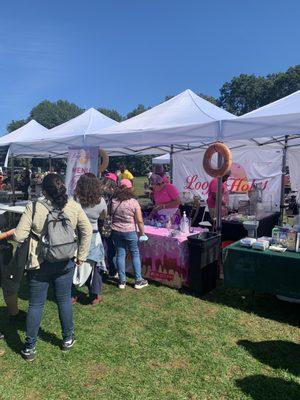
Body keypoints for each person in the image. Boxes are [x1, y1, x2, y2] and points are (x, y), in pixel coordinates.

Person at [14, 173, 92, 362]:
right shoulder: (73, 205)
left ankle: (30, 347)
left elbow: (18, 236)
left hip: (39, 263)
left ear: (44, 190)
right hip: (66, 261)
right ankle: (67, 338)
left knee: (36, 304)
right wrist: (81, 256)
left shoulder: (33, 207)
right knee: (64, 299)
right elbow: (87, 230)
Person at [73, 173, 107, 305]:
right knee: (95, 265)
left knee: (74, 263)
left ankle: (72, 294)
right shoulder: (101, 200)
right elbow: (104, 216)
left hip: (77, 234)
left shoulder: (75, 199)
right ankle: (94, 296)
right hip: (93, 234)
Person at [111, 179, 148, 290]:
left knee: (120, 254)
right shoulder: (133, 202)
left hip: (116, 231)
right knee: (135, 254)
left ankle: (122, 281)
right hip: (130, 231)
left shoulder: (113, 201)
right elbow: (140, 221)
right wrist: (142, 234)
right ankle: (138, 280)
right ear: (130, 188)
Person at [100, 172, 118, 277]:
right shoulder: (113, 193)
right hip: (109, 222)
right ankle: (111, 269)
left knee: (100, 245)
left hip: (99, 221)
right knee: (111, 247)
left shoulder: (98, 191)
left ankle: (100, 268)